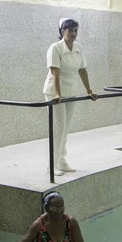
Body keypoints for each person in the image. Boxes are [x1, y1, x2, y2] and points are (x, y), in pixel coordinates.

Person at [43, 18, 98, 176]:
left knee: (66, 128)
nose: (73, 33)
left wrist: (89, 90)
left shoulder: (78, 48)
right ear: (62, 32)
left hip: (70, 92)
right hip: (54, 92)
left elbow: (82, 70)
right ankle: (51, 164)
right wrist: (58, 93)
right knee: (59, 127)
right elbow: (55, 73)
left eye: (75, 30)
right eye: (70, 30)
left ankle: (61, 160)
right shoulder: (55, 48)